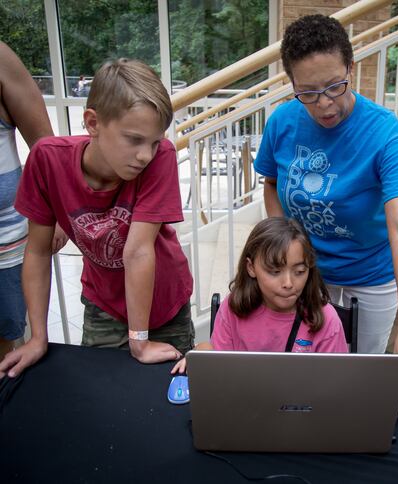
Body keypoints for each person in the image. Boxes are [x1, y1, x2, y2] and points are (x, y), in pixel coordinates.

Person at [253, 14, 398, 402]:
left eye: (335, 86)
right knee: (304, 371)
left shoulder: (387, 136)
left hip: (368, 278)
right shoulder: (282, 123)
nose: (324, 104)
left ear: (351, 68)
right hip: (305, 275)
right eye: (308, 92)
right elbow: (271, 182)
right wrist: (285, 246)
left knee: (355, 381)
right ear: (292, 86)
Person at [0, 58, 194, 379]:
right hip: (103, 305)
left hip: (163, 306)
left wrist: (140, 341)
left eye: (154, 141)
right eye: (133, 139)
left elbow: (138, 251)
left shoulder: (161, 157)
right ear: (93, 123)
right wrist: (37, 337)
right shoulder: (47, 159)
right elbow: (36, 251)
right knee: (99, 397)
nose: (145, 155)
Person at [172, 217, 348, 374]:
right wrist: (202, 354)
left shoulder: (327, 319)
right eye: (275, 271)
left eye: (300, 271)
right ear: (251, 268)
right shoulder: (233, 307)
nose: (288, 283)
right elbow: (220, 367)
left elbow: (335, 386)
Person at [0, 41, 67, 361]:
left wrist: (54, 216)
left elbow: (45, 147)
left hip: (4, 242)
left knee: (4, 340)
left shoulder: (1, 58)